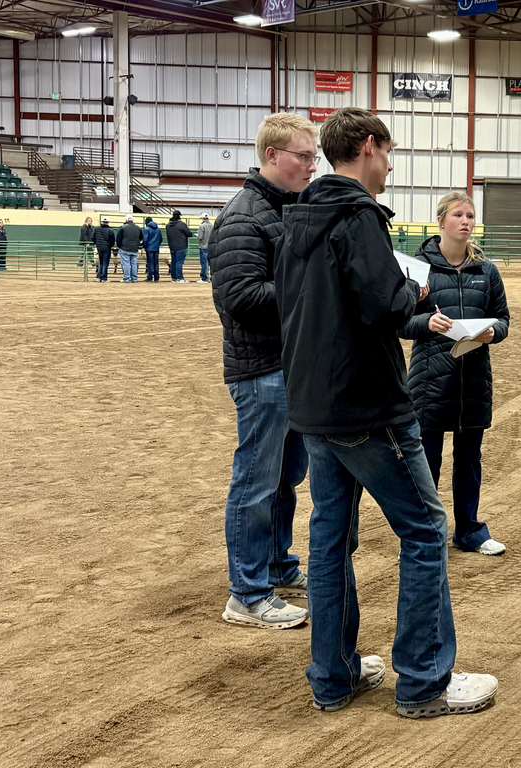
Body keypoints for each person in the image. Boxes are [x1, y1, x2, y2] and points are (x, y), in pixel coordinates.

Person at [274, 106, 498, 717]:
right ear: (369, 147)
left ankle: (334, 674)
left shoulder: (298, 217)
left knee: (329, 538)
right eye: (389, 153)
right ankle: (425, 680)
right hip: (367, 404)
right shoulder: (358, 216)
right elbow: (385, 307)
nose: (391, 165)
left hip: (315, 406)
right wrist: (415, 292)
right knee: (425, 531)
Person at [209, 113, 318, 631]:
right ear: (272, 156)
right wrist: (313, 290)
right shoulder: (243, 217)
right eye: (303, 156)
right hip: (261, 371)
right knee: (256, 481)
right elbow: (239, 298)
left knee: (285, 478)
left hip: (291, 368)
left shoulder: (288, 210)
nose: (312, 165)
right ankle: (247, 594)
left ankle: (276, 565)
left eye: (314, 156)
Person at [400, 191, 510, 557]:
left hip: (473, 380)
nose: (466, 221)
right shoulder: (417, 269)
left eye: (470, 215)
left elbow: (504, 319)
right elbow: (399, 322)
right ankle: (425, 535)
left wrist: (495, 332)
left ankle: (469, 530)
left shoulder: (487, 271)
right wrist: (427, 322)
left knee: (469, 460)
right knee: (426, 463)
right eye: (458, 215)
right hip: (431, 381)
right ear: (441, 221)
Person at [166, 210, 193, 283]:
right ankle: (180, 277)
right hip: (181, 246)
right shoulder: (181, 224)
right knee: (179, 262)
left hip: (172, 246)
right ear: (179, 216)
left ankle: (174, 277)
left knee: (173, 262)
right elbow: (189, 233)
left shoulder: (168, 225)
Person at [115, 213, 142, 283]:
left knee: (126, 264)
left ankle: (126, 278)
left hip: (124, 248)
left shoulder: (123, 227)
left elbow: (118, 238)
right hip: (135, 249)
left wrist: (119, 246)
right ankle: (134, 278)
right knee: (134, 264)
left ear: (126, 220)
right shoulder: (138, 228)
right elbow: (141, 237)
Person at [93, 216, 116, 282]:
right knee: (105, 263)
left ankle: (98, 277)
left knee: (101, 262)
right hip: (107, 247)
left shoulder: (96, 229)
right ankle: (104, 278)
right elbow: (112, 240)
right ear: (108, 222)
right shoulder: (110, 230)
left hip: (99, 247)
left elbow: (93, 237)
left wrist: (97, 244)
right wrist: (110, 246)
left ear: (102, 221)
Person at [143, 217, 162, 282]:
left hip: (149, 248)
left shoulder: (147, 229)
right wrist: (157, 245)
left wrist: (144, 246)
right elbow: (161, 239)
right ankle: (156, 278)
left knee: (150, 263)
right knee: (156, 263)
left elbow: (145, 239)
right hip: (156, 248)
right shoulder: (158, 229)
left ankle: (150, 277)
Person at [197, 213, 213, 283]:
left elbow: (200, 236)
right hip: (211, 246)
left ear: (202, 218)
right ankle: (213, 278)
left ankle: (204, 278)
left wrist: (197, 236)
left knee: (204, 263)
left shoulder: (202, 226)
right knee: (211, 263)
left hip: (203, 246)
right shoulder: (212, 226)